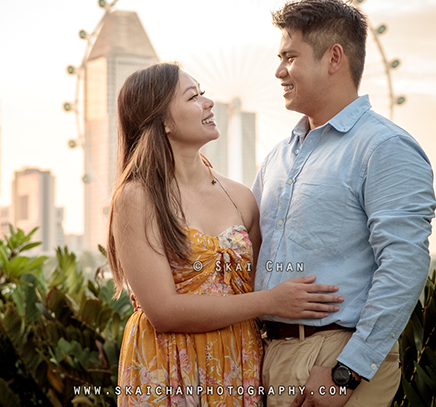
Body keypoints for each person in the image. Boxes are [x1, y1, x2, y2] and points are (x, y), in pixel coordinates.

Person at [107, 62, 344, 407]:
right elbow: (163, 311)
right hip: (170, 366)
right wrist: (271, 301)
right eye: (193, 97)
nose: (208, 102)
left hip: (239, 360)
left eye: (203, 92)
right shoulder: (137, 197)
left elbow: (263, 277)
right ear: (164, 122)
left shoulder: (241, 197)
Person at [253, 0, 436, 407]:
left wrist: (345, 373)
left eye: (290, 57)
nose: (279, 71)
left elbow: (404, 264)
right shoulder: (279, 157)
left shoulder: (385, 147)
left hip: (336, 357)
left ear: (334, 57)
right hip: (270, 358)